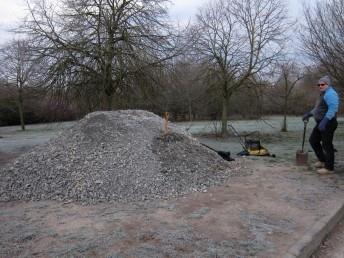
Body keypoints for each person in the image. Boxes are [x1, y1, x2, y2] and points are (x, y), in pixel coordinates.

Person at [302, 75, 339, 174]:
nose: (320, 86)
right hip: (321, 122)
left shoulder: (331, 94)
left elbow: (333, 109)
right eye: (319, 84)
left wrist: (325, 120)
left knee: (327, 145)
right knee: (313, 140)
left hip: (328, 123)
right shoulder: (322, 94)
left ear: (328, 84)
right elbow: (318, 108)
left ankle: (329, 168)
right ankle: (323, 161)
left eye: (322, 84)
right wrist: (309, 114)